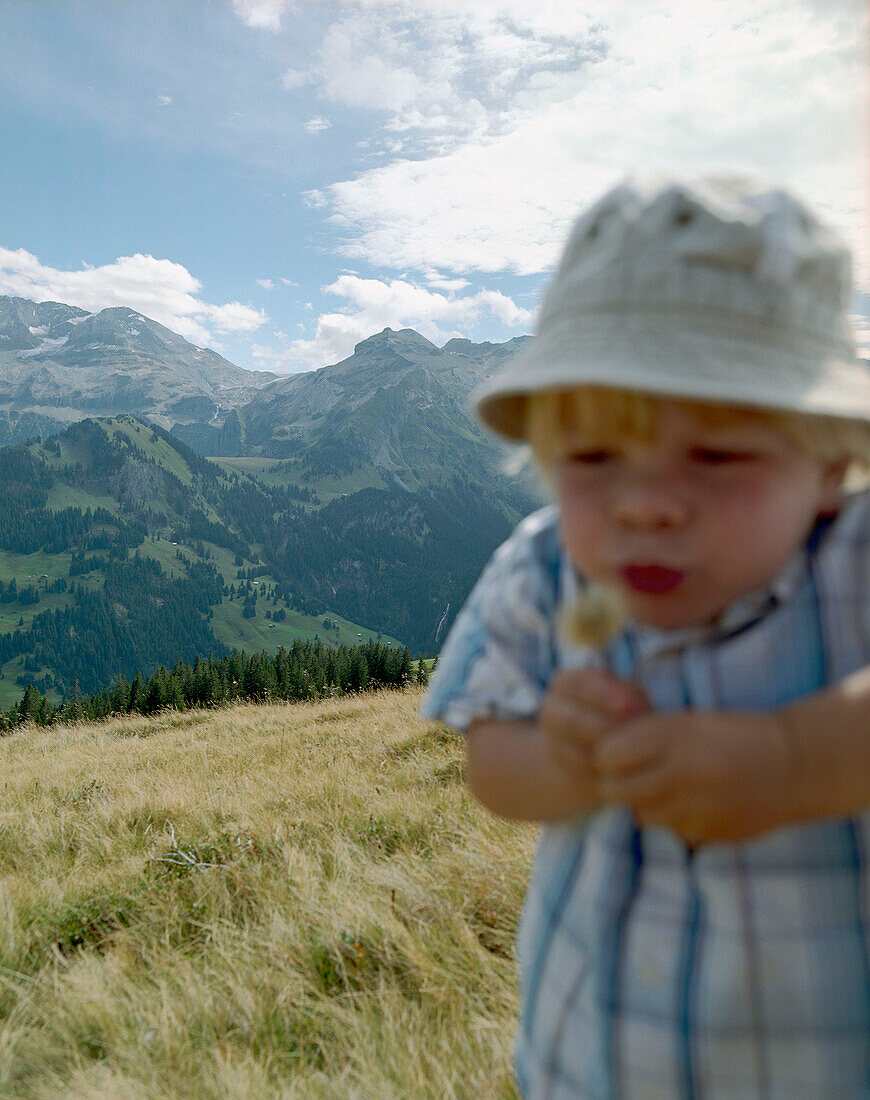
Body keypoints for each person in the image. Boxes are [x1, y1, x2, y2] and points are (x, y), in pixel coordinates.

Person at [420, 174, 870, 1098]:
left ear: (830, 465)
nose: (646, 503)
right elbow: (489, 761)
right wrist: (559, 756)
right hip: (594, 1061)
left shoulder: (855, 560)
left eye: (717, 454)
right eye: (592, 459)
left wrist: (792, 759)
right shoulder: (544, 569)